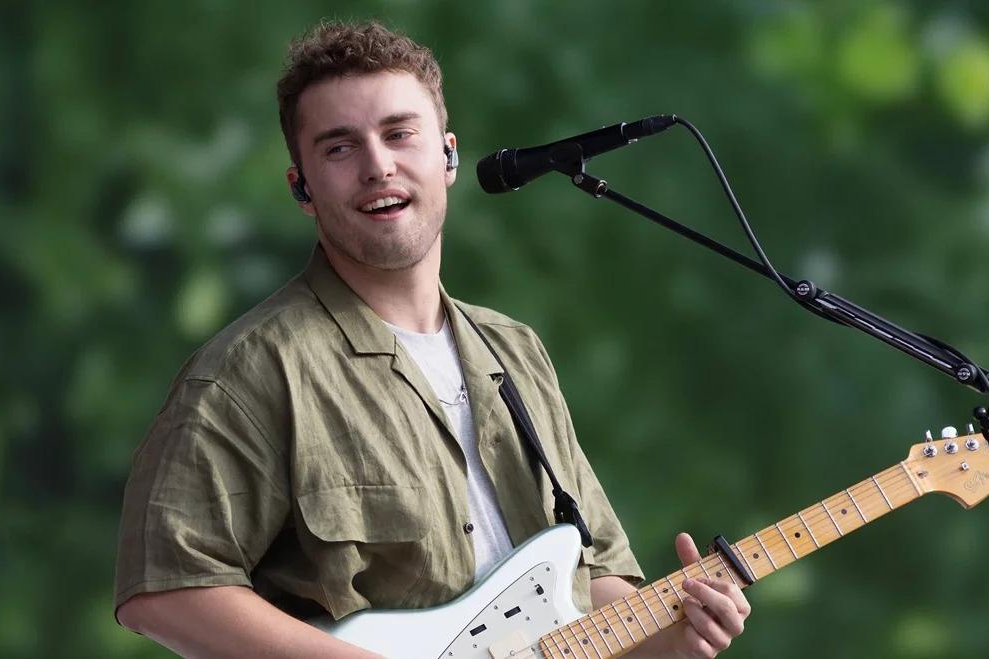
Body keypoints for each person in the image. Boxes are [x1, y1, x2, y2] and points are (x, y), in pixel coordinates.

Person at [113, 20, 750, 658]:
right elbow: (166, 590)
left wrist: (674, 636)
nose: (378, 165)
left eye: (399, 134)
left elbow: (594, 588)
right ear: (301, 188)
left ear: (446, 156)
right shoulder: (251, 370)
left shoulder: (515, 351)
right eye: (340, 148)